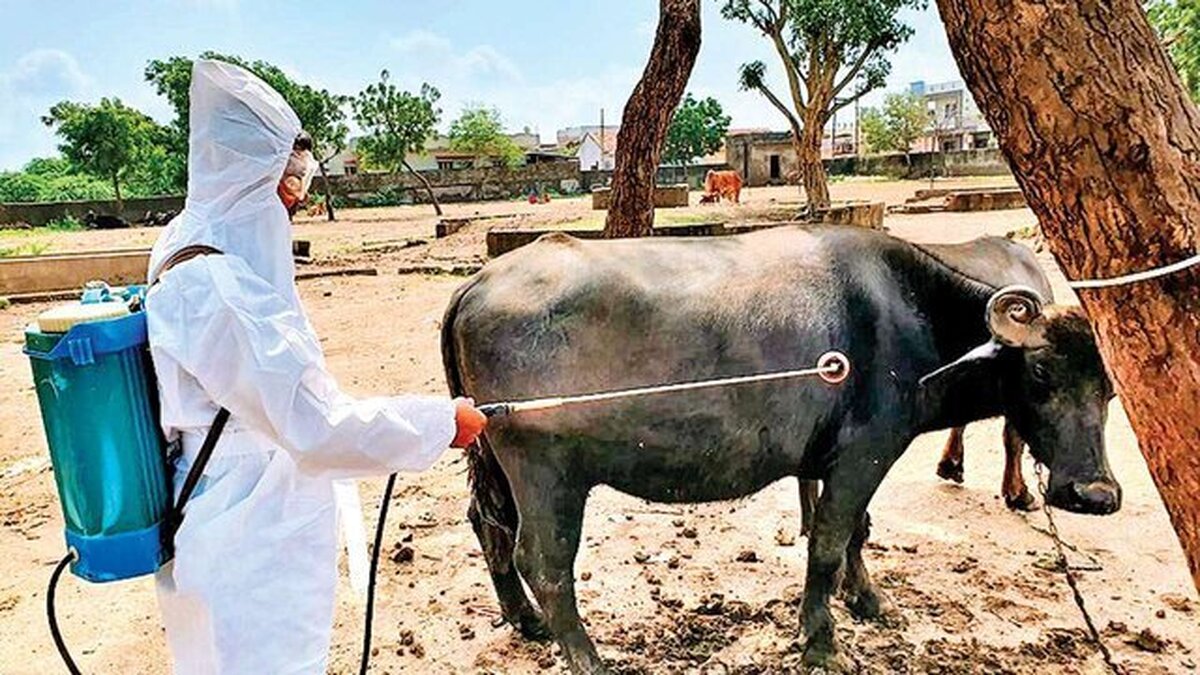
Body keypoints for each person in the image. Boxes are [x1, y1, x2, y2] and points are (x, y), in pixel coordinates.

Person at [145, 59, 487, 674]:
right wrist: (440, 422)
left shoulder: (183, 245)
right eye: (291, 177)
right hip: (250, 540)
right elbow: (316, 426)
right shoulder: (215, 287)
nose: (297, 197)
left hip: (233, 518)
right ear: (251, 175)